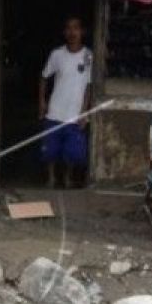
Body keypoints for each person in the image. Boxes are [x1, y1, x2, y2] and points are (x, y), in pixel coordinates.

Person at [37, 16, 93, 188]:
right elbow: (44, 77)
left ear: (82, 32)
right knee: (50, 149)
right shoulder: (57, 54)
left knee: (73, 151)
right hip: (55, 109)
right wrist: (42, 102)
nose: (72, 32)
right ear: (64, 32)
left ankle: (68, 178)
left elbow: (89, 86)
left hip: (75, 112)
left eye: (76, 28)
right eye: (68, 28)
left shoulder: (88, 55)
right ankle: (52, 178)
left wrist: (85, 111)